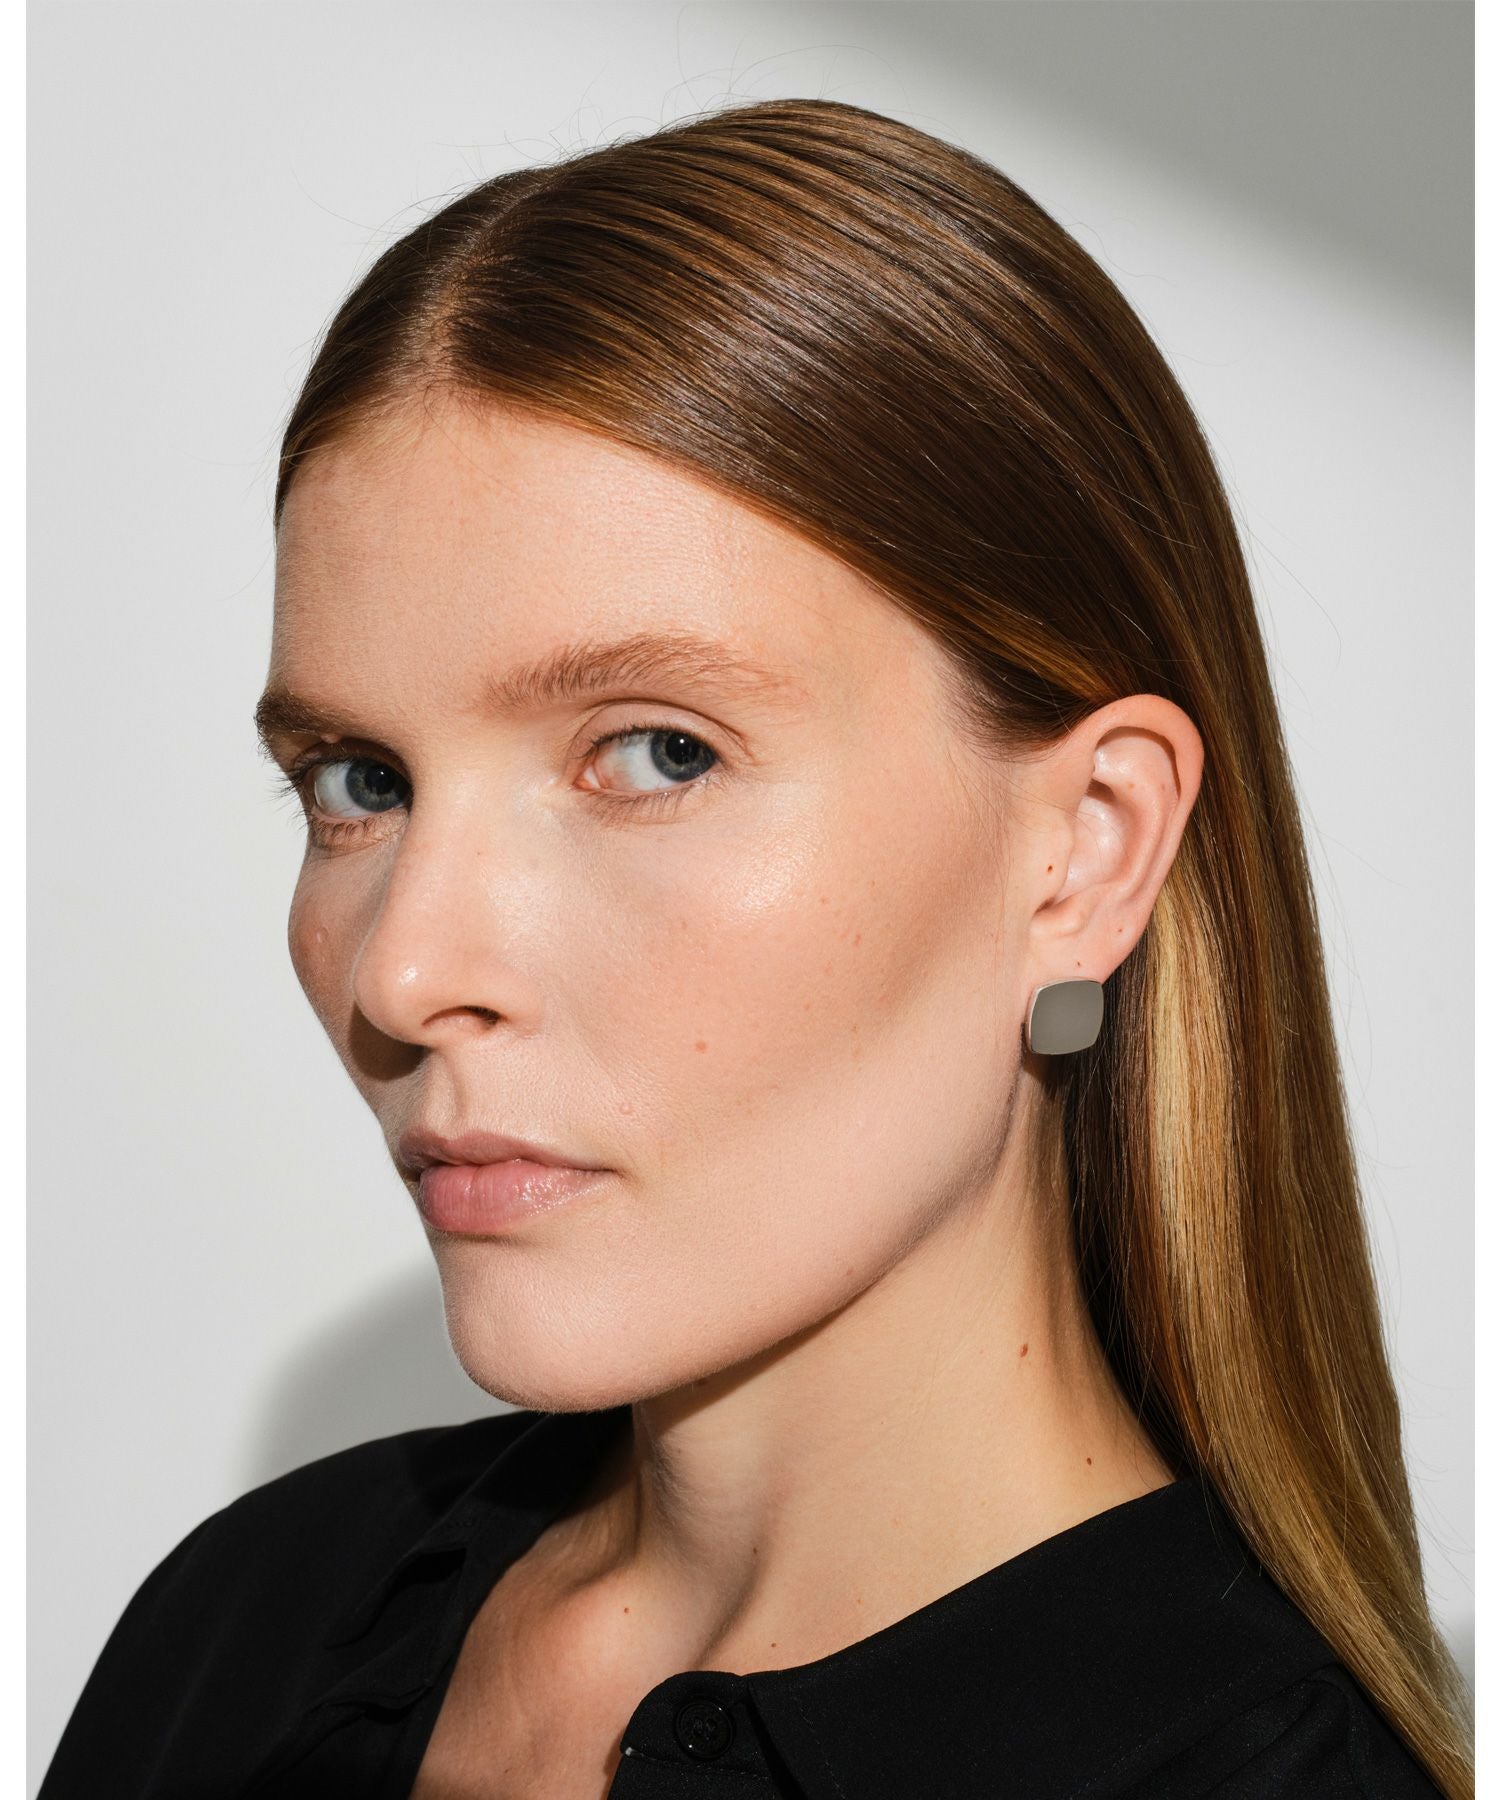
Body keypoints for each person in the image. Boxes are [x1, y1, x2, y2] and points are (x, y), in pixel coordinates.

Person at [40, 96, 1471, 1800]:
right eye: (359, 781)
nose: (401, 973)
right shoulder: (246, 1627)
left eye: (657, 754)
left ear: (1086, 847)